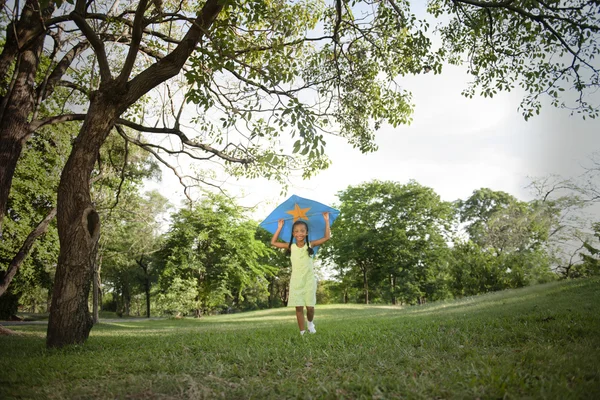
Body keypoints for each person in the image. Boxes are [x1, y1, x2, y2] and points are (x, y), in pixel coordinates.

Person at [271, 212, 331, 335]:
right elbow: (273, 242)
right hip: (296, 280)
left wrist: (326, 220)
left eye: (302, 231)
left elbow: (326, 237)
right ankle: (302, 332)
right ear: (293, 233)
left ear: (306, 233)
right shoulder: (290, 246)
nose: (299, 233)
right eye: (297, 231)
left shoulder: (310, 244)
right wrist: (279, 228)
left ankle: (310, 324)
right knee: (298, 307)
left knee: (310, 307)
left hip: (309, 280)